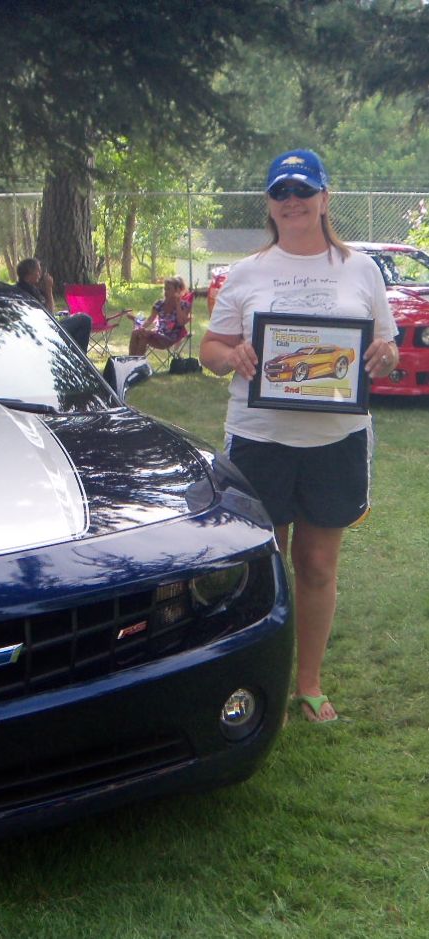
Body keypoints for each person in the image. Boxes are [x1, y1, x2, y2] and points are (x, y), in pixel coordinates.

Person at [198, 149, 398, 723]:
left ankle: (307, 683)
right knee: (264, 562)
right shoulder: (247, 271)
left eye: (302, 191)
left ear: (324, 198)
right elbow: (211, 349)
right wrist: (231, 354)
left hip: (335, 439)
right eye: (281, 192)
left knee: (315, 564)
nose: (292, 201)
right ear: (269, 203)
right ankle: (260, 678)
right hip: (260, 436)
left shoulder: (360, 270)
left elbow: (379, 350)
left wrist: (382, 358)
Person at [15, 257, 92, 353]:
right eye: (38, 271)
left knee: (76, 317)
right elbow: (49, 314)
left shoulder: (22, 288)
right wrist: (49, 289)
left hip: (40, 327)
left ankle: (71, 354)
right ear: (30, 273)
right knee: (84, 319)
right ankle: (80, 358)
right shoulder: (28, 292)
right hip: (45, 331)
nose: (40, 274)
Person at [128, 276, 190, 355]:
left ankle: (136, 363)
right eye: (165, 289)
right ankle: (132, 362)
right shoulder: (159, 304)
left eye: (168, 289)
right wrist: (142, 328)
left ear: (177, 290)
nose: (165, 292)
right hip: (157, 334)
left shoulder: (184, 305)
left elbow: (181, 322)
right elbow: (150, 319)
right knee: (136, 333)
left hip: (170, 338)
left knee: (145, 335)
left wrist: (177, 304)